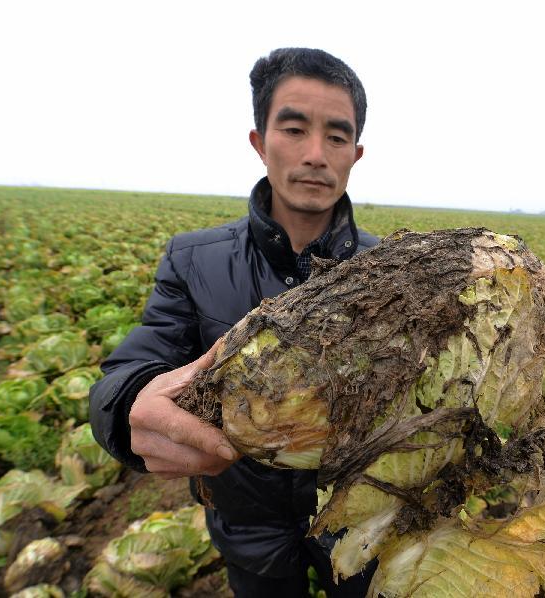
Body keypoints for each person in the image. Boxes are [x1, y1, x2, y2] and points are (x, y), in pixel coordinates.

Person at [89, 47, 380, 597]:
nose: (316, 154)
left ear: (356, 153)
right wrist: (126, 403)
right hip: (247, 526)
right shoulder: (192, 258)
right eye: (294, 129)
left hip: (359, 524)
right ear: (259, 141)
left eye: (337, 137)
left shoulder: (393, 273)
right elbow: (133, 366)